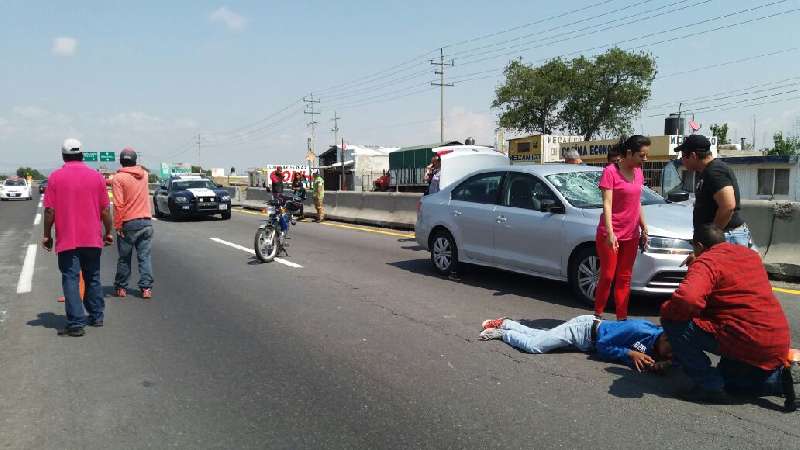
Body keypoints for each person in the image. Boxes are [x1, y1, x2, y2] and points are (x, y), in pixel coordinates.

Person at [660, 225, 797, 406]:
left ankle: (708, 386)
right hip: (776, 339)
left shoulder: (707, 262)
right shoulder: (749, 255)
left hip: (745, 338)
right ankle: (782, 381)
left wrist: (666, 310)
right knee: (730, 379)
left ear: (699, 246)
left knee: (672, 320)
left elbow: (688, 299)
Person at [42, 138, 113, 336]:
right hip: (92, 238)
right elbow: (105, 210)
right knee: (93, 277)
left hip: (68, 240)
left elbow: (49, 211)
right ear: (82, 155)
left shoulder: (55, 177)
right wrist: (109, 232)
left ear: (64, 156)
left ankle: (75, 323)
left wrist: (47, 236)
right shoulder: (96, 177)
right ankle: (97, 316)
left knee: (71, 279)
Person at [479, 316, 672, 372]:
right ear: (664, 338)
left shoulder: (664, 345)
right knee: (534, 346)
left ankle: (506, 323)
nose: (670, 355)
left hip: (587, 339)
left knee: (540, 336)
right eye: (670, 351)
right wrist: (629, 354)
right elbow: (603, 346)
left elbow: (674, 360)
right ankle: (502, 333)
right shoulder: (638, 329)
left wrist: (660, 364)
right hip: (584, 331)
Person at [594, 135, 650, 320]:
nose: (645, 159)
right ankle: (598, 316)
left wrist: (644, 227)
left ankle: (622, 319)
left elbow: (637, 202)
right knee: (608, 276)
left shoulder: (639, 172)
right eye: (641, 155)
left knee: (625, 278)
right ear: (629, 153)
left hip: (631, 234)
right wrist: (610, 232)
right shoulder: (610, 172)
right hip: (610, 234)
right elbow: (607, 203)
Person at [675, 134, 752, 249]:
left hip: (726, 237)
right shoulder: (705, 172)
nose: (682, 160)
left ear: (693, 155)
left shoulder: (715, 171)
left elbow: (728, 206)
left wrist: (711, 239)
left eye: (683, 156)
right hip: (721, 237)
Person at [111, 148, 154, 299]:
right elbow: (139, 172)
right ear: (135, 161)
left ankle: (122, 287)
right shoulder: (145, 175)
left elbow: (118, 204)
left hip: (128, 222)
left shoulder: (118, 178)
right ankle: (146, 288)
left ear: (121, 161)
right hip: (146, 222)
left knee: (124, 258)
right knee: (144, 257)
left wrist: (117, 225)